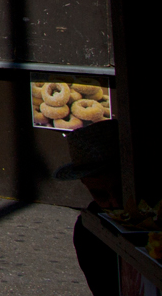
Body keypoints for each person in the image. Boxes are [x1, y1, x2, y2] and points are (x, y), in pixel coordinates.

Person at [57, 120, 122, 295]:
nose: (114, 203)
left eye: (120, 190)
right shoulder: (89, 231)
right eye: (101, 194)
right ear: (85, 184)